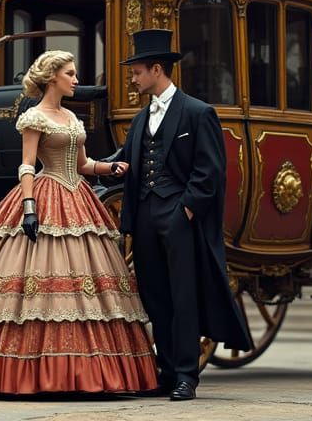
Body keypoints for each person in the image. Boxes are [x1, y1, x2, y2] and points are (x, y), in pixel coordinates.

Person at [0, 50, 158, 395]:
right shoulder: (35, 118)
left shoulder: (72, 118)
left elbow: (82, 164)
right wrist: (29, 206)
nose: (76, 79)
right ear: (52, 78)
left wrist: (108, 168)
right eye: (70, 73)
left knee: (88, 282)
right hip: (45, 195)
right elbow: (28, 166)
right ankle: (23, 371)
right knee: (32, 279)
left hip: (78, 197)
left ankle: (90, 371)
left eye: (75, 73)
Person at [117, 29, 252, 401]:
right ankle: (166, 371)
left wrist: (186, 210)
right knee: (155, 295)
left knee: (183, 296)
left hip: (178, 215)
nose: (133, 78)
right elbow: (126, 160)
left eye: (137, 71)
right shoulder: (141, 119)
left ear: (156, 69)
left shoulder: (197, 112)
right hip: (145, 215)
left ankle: (186, 377)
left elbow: (210, 171)